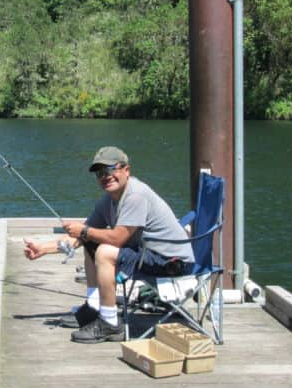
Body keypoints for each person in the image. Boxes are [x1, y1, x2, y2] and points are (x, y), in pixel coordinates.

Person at [23, 146, 194, 344]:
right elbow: (83, 235)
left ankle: (110, 323)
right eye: (100, 173)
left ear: (126, 170)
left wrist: (85, 232)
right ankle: (94, 306)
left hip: (172, 264)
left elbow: (117, 239)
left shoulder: (136, 195)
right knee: (92, 243)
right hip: (148, 255)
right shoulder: (108, 200)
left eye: (111, 169)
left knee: (105, 251)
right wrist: (43, 248)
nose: (106, 176)